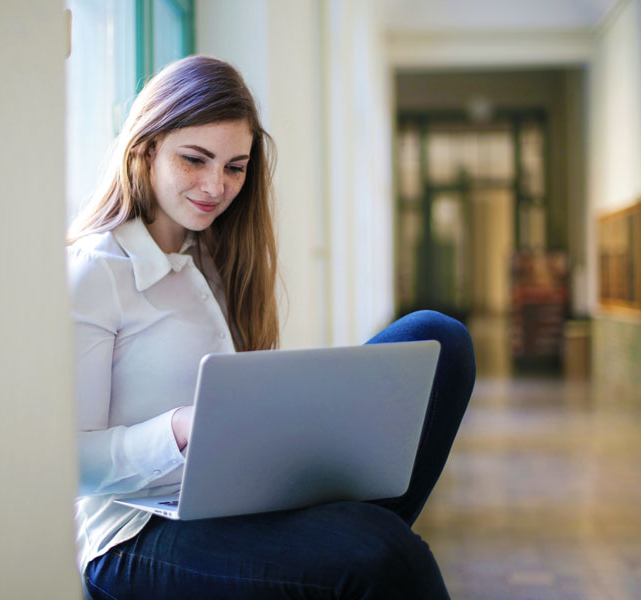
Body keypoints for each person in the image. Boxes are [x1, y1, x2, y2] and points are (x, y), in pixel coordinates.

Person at [66, 55, 475, 599]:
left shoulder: (210, 255)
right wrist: (182, 429)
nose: (216, 185)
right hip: (134, 537)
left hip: (231, 493)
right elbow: (71, 462)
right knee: (381, 551)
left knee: (439, 338)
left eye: (235, 167)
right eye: (195, 159)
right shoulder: (98, 269)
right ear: (146, 151)